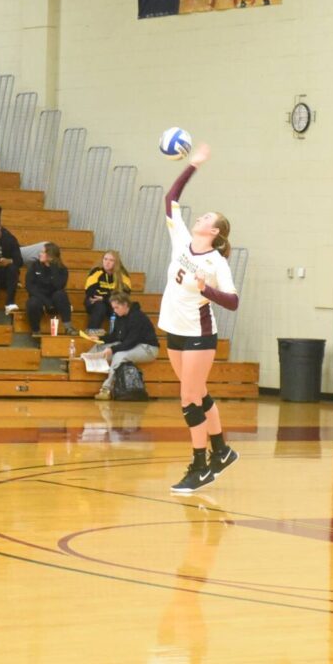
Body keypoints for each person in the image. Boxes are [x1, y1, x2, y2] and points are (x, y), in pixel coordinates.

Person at [159, 144, 240, 494]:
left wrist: (207, 289)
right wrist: (193, 165)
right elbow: (171, 199)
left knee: (189, 398)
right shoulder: (181, 240)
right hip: (174, 330)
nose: (200, 218)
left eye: (207, 218)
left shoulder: (216, 263)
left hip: (199, 335)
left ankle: (200, 466)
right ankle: (221, 450)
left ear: (215, 232)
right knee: (198, 392)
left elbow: (233, 302)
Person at [89, 292, 160, 400]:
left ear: (125, 305)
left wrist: (113, 349)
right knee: (99, 347)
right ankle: (82, 361)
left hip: (148, 348)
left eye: (117, 307)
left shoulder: (137, 317)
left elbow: (131, 342)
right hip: (132, 344)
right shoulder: (120, 316)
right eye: (113, 308)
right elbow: (115, 336)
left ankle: (106, 389)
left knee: (119, 355)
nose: (114, 310)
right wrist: (100, 339)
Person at [25, 242, 77, 336]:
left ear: (50, 255)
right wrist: (46, 301)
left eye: (42, 252)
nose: (39, 254)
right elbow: (30, 287)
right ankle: (36, 330)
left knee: (61, 294)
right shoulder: (34, 266)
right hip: (39, 298)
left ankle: (68, 327)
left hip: (54, 299)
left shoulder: (62, 269)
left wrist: (53, 268)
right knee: (32, 303)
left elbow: (59, 286)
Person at [84, 250, 132, 336]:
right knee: (100, 306)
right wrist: (108, 297)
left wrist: (104, 298)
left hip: (112, 302)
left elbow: (125, 294)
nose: (107, 262)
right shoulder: (96, 272)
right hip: (95, 301)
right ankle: (92, 330)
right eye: (105, 259)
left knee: (120, 306)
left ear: (116, 263)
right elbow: (90, 291)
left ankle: (118, 333)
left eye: (111, 260)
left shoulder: (123, 275)